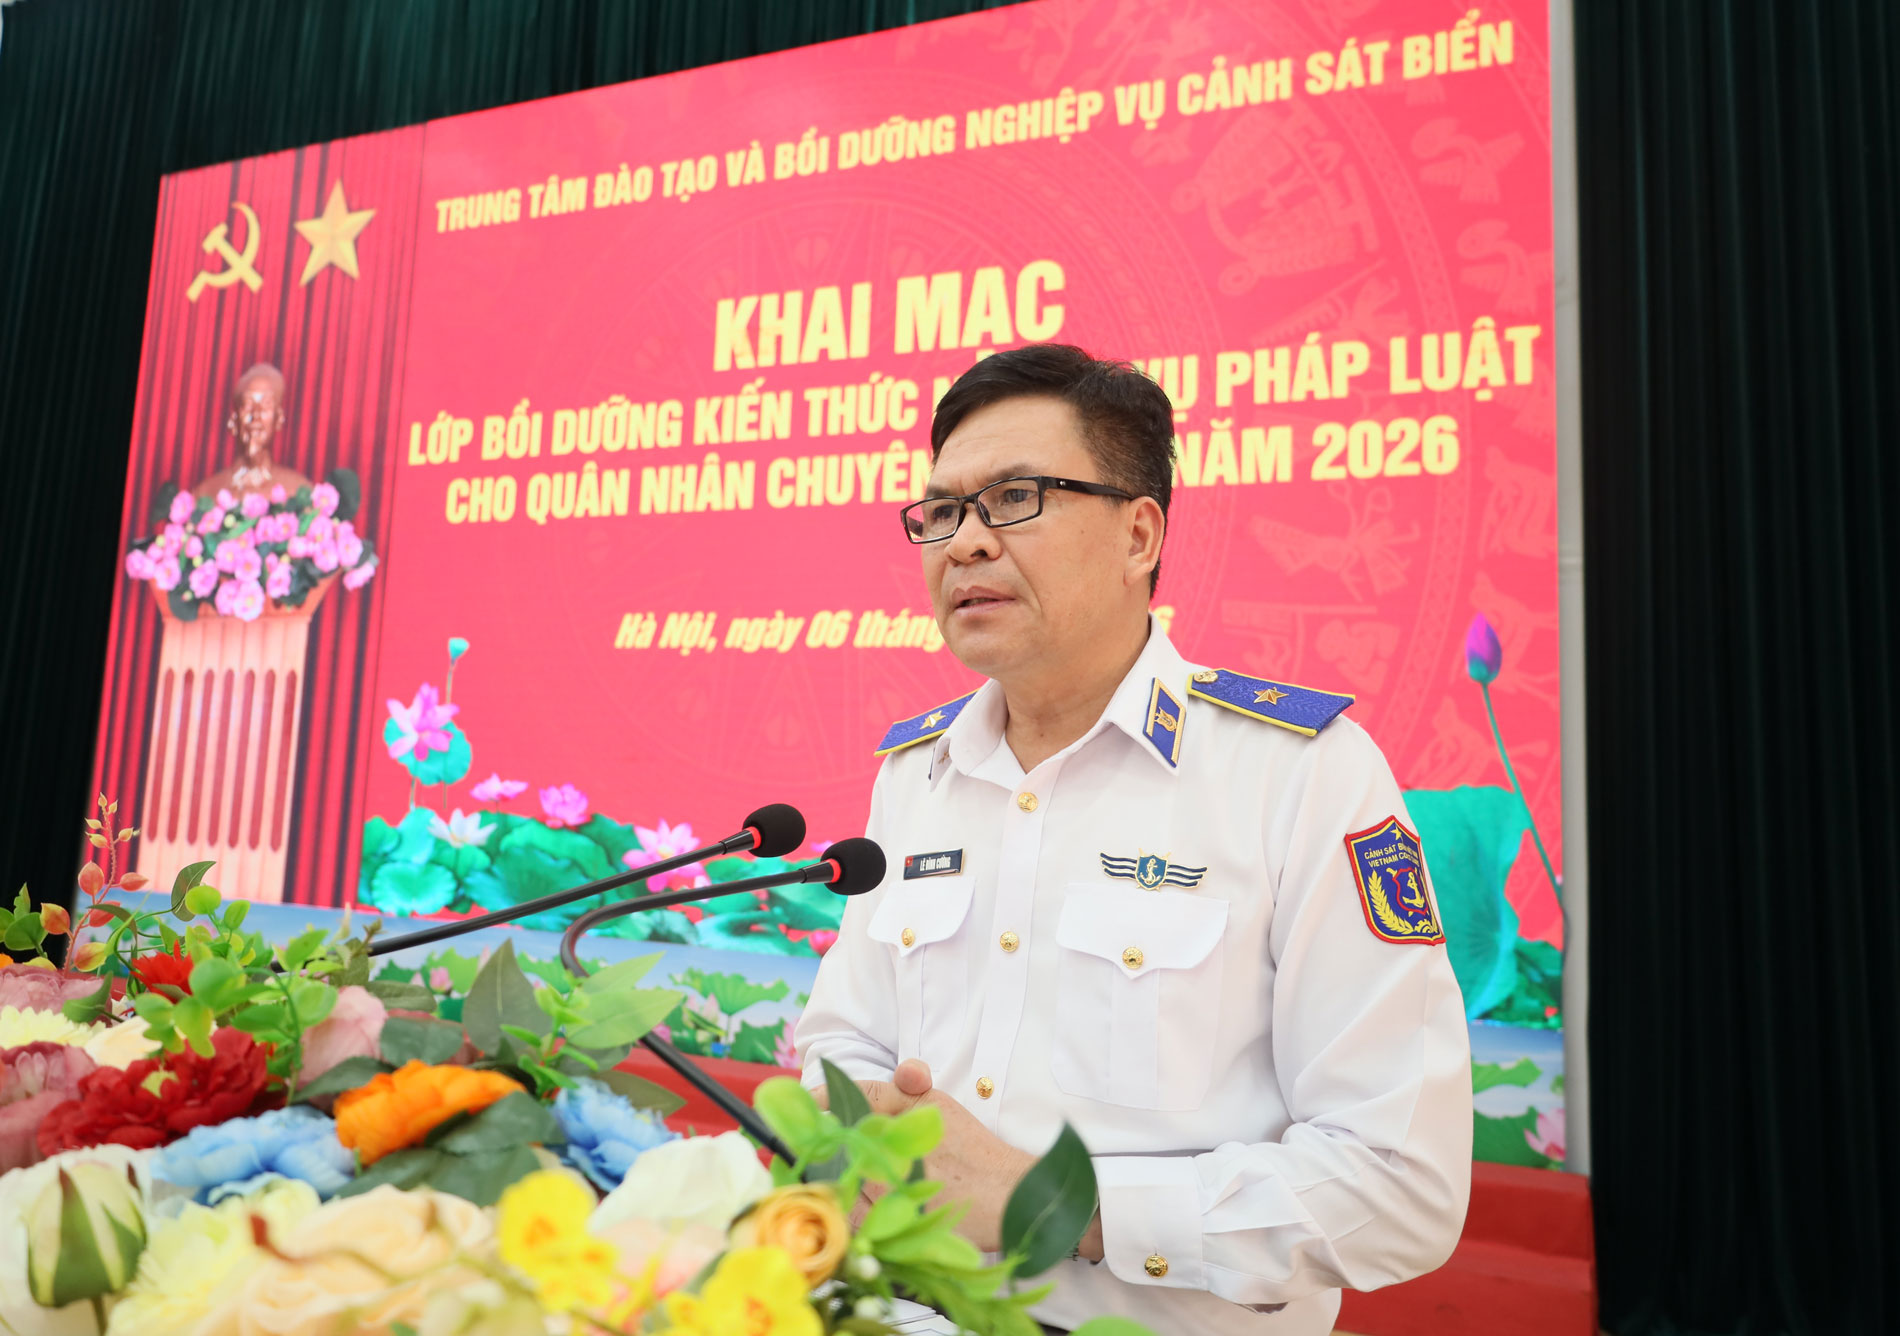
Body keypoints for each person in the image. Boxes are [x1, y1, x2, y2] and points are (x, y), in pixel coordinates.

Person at [795, 344, 1472, 1335]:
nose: (965, 543)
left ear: (1138, 534)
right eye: (941, 512)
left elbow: (1399, 1185)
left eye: (1014, 499)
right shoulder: (915, 774)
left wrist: (1056, 1206)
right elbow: (844, 1038)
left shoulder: (1297, 773)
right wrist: (860, 1125)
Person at [194, 362, 315, 498]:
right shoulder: (206, 492)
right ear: (233, 421)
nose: (256, 415)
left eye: (266, 404)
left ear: (279, 419)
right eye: (248, 404)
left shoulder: (297, 490)